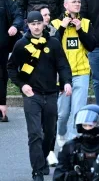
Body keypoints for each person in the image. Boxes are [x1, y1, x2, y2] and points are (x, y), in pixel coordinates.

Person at [7, 11, 72, 181]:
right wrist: (22, 85)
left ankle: (42, 160)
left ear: (44, 24)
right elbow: (11, 68)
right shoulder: (21, 44)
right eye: (33, 24)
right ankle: (37, 171)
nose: (36, 27)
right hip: (32, 95)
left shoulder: (54, 43)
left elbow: (63, 65)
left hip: (51, 94)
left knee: (49, 133)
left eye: (39, 23)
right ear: (28, 25)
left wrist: (66, 82)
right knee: (35, 133)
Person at [51, 0, 97, 145]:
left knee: (78, 111)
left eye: (79, 2)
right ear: (66, 5)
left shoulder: (86, 23)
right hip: (63, 75)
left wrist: (80, 30)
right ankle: (61, 134)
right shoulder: (56, 23)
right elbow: (52, 46)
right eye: (74, 2)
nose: (77, 4)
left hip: (81, 72)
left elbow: (92, 46)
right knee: (63, 113)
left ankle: (74, 143)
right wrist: (62, 27)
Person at [53, 104, 99, 181]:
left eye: (90, 125)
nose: (87, 128)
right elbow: (58, 176)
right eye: (85, 125)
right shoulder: (71, 147)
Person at [0, 0, 23, 122]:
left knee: (2, 76)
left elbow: (17, 14)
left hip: (2, 46)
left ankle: (1, 107)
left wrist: (15, 26)